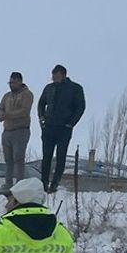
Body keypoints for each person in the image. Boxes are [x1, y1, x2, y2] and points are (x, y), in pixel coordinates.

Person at [37, 64, 86, 193]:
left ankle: (55, 183)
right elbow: (41, 103)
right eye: (53, 76)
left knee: (61, 156)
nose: (54, 78)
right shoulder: (49, 88)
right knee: (46, 157)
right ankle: (44, 183)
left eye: (57, 75)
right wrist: (41, 118)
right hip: (48, 127)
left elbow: (80, 107)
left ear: (63, 75)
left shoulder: (75, 88)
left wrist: (71, 123)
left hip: (64, 128)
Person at [0, 72, 35, 192]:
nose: (11, 85)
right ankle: (8, 183)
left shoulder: (27, 94)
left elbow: (24, 111)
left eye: (13, 82)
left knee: (18, 158)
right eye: (10, 82)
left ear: (19, 81)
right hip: (7, 131)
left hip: (21, 130)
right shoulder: (7, 96)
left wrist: (7, 115)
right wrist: (1, 114)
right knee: (8, 160)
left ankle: (19, 184)